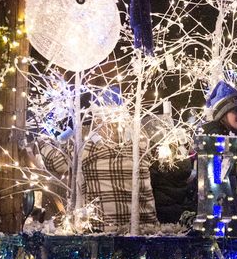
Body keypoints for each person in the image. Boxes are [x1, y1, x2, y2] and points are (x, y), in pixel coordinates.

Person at [40, 89, 159, 233]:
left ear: (98, 119)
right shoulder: (142, 144)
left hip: (102, 232)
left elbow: (54, 163)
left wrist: (43, 138)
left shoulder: (87, 147)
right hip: (146, 231)